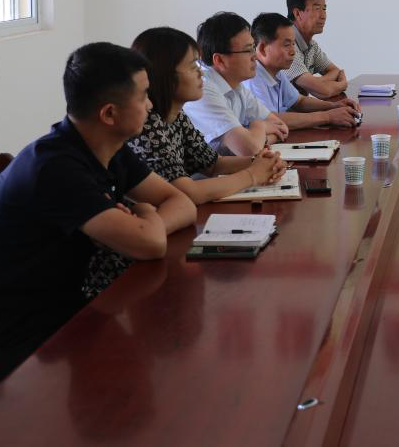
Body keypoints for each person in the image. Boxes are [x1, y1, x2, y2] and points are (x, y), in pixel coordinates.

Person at [0, 43, 197, 398]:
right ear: (109, 113)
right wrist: (146, 217)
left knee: (167, 357)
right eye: (144, 96)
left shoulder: (107, 147)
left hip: (61, 313)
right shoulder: (56, 168)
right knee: (158, 363)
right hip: (3, 340)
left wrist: (146, 221)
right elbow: (150, 244)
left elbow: (182, 203)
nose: (150, 105)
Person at [81, 28, 287, 297]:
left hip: (139, 262)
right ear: (165, 75)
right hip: (108, 287)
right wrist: (252, 174)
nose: (201, 74)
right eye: (193, 67)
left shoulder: (169, 119)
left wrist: (259, 163)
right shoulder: (143, 128)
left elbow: (205, 173)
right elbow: (186, 195)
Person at [185, 11, 289, 155]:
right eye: (247, 50)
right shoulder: (202, 89)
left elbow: (281, 128)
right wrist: (259, 125)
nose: (255, 56)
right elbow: (249, 150)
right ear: (219, 60)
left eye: (253, 47)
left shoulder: (237, 85)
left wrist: (256, 139)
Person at [249, 12, 360, 128]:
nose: (293, 51)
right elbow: (270, 120)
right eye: (286, 45)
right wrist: (327, 116)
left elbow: (299, 101)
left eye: (293, 44)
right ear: (262, 49)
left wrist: (334, 106)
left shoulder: (278, 74)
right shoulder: (253, 78)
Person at [285, 0, 349, 99]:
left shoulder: (311, 45)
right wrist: (342, 84)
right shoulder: (286, 45)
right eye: (317, 9)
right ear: (297, 14)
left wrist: (316, 82)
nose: (323, 16)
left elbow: (335, 71)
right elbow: (323, 92)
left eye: (324, 9)